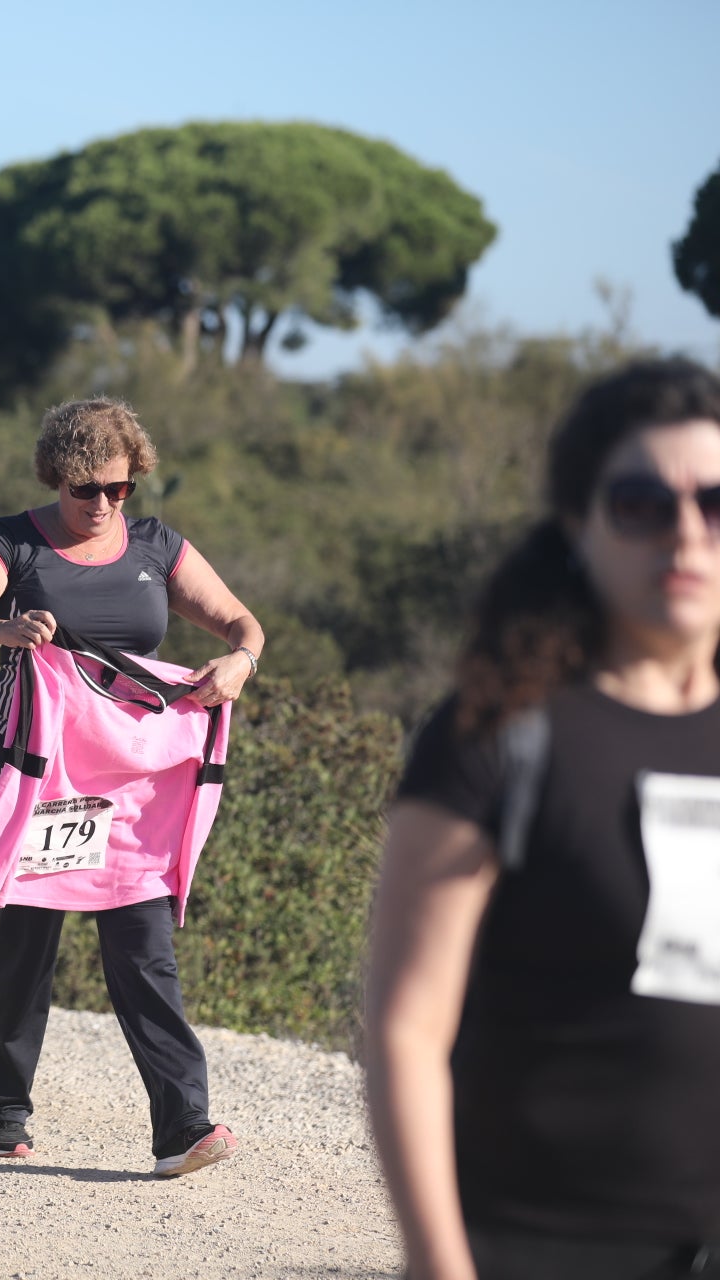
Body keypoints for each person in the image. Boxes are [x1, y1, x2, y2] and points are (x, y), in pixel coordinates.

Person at [366, 359, 720, 1280]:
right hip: (531, 1247)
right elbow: (407, 1030)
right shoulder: (499, 733)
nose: (687, 534)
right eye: (642, 505)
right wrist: (441, 1266)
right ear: (578, 523)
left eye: (716, 504)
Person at [0, 396, 260, 1175]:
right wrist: (3, 629)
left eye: (119, 488)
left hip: (135, 783)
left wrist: (240, 663)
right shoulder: (13, 543)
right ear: (55, 478)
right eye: (85, 489)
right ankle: (2, 1107)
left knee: (143, 946)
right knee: (29, 941)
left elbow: (244, 626)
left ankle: (183, 1125)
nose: (103, 504)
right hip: (43, 773)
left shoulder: (156, 547)